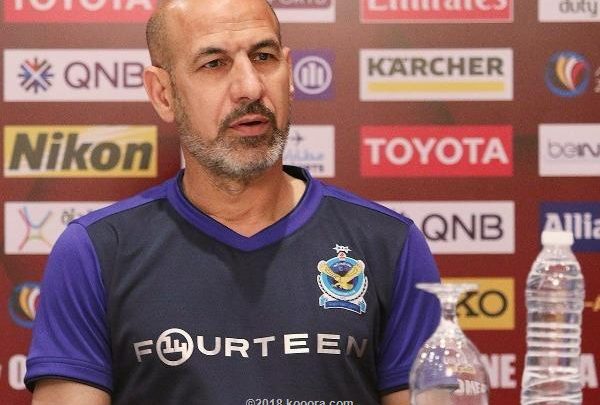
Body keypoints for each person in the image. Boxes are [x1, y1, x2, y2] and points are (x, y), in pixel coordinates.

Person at [24, 1, 441, 404]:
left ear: (289, 73)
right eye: (214, 63)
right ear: (163, 94)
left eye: (263, 57)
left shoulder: (390, 245)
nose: (250, 87)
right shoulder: (96, 252)